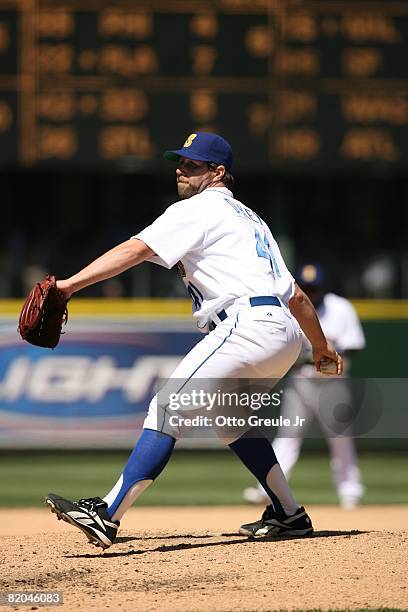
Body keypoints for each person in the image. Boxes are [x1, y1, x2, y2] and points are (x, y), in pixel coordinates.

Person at [45, 132, 342, 549]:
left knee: (168, 406)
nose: (181, 170)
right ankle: (289, 514)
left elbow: (134, 250)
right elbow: (296, 297)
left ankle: (107, 515)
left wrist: (69, 286)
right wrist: (322, 348)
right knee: (230, 419)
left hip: (245, 326)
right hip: (282, 335)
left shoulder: (200, 208)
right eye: (180, 162)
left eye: (193, 165)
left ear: (218, 173)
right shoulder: (253, 220)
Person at [243, 263, 366, 509]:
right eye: (307, 287)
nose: (312, 292)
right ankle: (267, 490)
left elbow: (355, 345)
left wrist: (320, 354)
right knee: (288, 436)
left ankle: (349, 491)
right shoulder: (290, 308)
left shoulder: (340, 307)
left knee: (340, 438)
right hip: (301, 383)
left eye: (315, 287)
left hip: (333, 384)